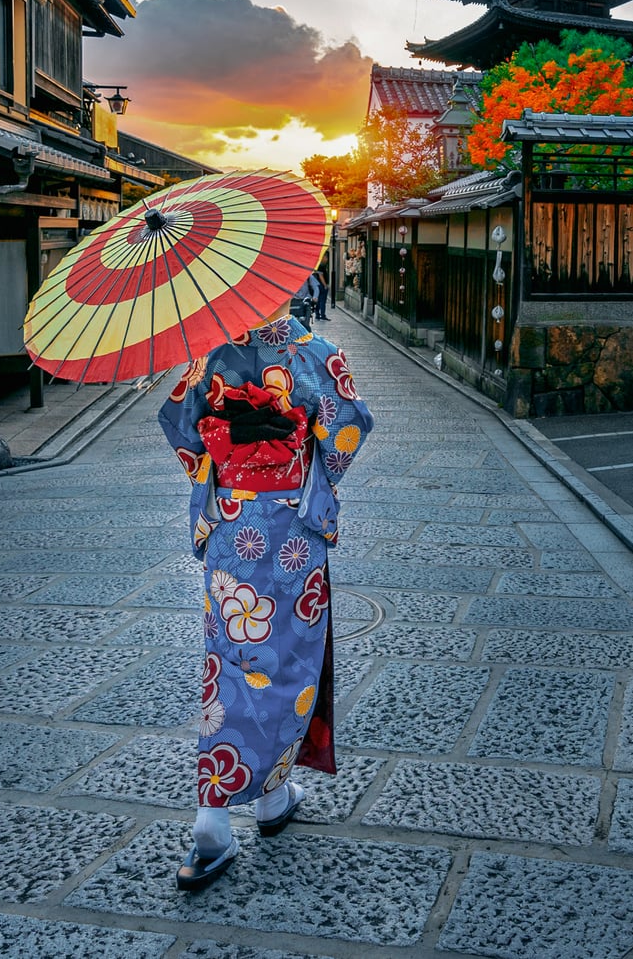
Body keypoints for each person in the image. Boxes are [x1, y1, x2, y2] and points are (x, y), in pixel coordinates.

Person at [158, 313, 372, 889]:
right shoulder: (316, 350)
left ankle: (243, 803)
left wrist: (226, 470)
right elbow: (349, 429)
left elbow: (180, 426)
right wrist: (299, 466)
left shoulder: (206, 355)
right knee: (288, 662)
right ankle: (241, 803)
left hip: (232, 524)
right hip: (292, 530)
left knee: (231, 662)